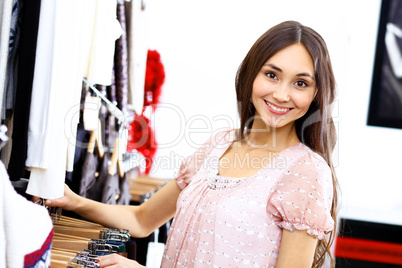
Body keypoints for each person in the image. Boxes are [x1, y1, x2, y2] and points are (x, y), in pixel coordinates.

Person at [45, 20, 339, 267]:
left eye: (300, 83)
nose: (281, 94)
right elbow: (142, 219)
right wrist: (74, 201)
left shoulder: (306, 172)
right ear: (252, 74)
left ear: (316, 94)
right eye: (271, 75)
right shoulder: (220, 144)